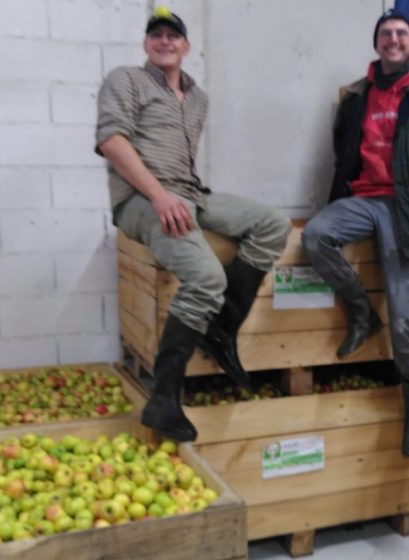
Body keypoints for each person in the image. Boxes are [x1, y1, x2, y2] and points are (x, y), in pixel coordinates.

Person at [95, 7, 291, 442]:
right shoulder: (125, 80)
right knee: (205, 276)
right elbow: (112, 141)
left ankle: (222, 326)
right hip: (141, 200)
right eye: (156, 35)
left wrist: (182, 197)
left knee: (273, 224)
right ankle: (163, 399)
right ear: (147, 43)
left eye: (173, 36)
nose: (165, 41)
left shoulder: (198, 97)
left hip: (190, 194)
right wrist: (159, 196)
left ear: (186, 46)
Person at [302, 10, 409, 458]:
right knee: (315, 236)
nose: (393, 40)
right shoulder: (358, 95)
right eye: (385, 34)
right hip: (365, 199)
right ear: (377, 44)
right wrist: (337, 197)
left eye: (401, 34)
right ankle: (360, 313)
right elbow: (342, 154)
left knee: (404, 313)